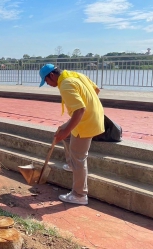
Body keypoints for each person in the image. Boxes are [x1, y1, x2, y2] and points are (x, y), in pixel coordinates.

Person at [39, 64, 104, 205]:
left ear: (51, 75)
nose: (48, 85)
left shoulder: (66, 84)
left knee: (79, 158)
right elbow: (96, 90)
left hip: (85, 122)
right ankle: (71, 164)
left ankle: (79, 195)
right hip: (92, 116)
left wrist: (66, 131)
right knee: (62, 132)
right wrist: (64, 131)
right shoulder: (75, 75)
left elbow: (80, 110)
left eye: (47, 82)